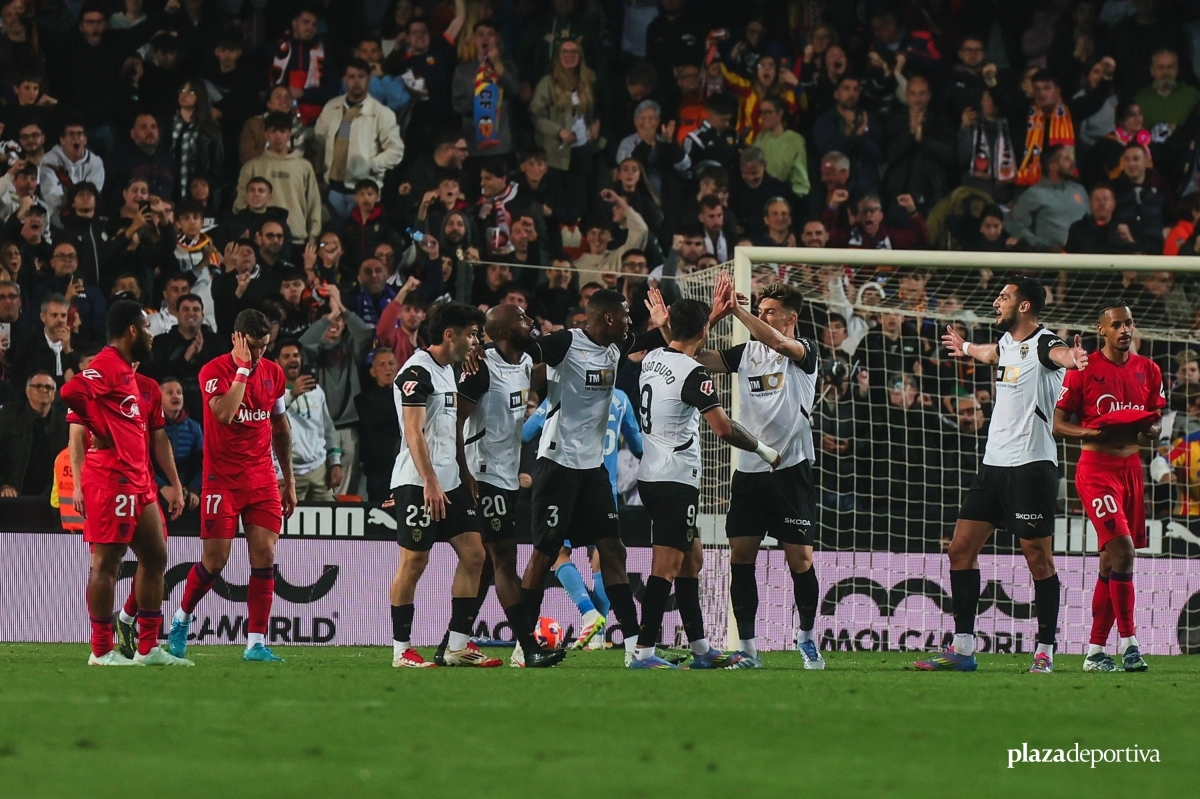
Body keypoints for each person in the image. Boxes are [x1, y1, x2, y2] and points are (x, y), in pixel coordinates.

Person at [916, 278, 1089, 673]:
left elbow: (1059, 354)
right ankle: (962, 649)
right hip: (993, 467)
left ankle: (1044, 650)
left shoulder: (1045, 343)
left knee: (1038, 559)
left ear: (1025, 306)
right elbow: (993, 354)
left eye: (1004, 297)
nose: (996, 302)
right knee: (960, 550)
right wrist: (964, 348)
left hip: (1032, 466)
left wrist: (1074, 359)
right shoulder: (1009, 344)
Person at [512, 289, 671, 666]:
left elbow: (653, 338)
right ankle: (524, 646)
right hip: (556, 465)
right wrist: (483, 349)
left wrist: (665, 326)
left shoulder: (616, 346)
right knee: (544, 553)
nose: (631, 323)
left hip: (593, 469)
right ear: (609, 319)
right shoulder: (567, 342)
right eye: (627, 316)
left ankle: (636, 648)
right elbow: (522, 349)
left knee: (613, 549)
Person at [630, 295, 775, 670]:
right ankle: (643, 652)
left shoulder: (653, 357)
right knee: (667, 566)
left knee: (691, 560)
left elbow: (678, 344)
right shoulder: (694, 374)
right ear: (705, 330)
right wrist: (764, 450)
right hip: (675, 479)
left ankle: (700, 649)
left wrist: (674, 324)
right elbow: (723, 428)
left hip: (651, 474)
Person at [693, 280, 823, 669]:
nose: (762, 317)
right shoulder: (745, 353)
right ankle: (748, 648)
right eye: (760, 310)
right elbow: (696, 356)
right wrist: (715, 316)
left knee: (799, 559)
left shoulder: (804, 352)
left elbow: (782, 345)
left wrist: (738, 311)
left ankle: (806, 638)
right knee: (741, 557)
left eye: (769, 312)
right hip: (748, 471)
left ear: (791, 318)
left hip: (791, 469)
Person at [58, 300, 189, 666]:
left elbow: (154, 436)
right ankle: (101, 650)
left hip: (139, 479)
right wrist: (99, 429)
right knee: (108, 562)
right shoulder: (107, 363)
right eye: (146, 328)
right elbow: (70, 393)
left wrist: (172, 482)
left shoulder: (135, 378)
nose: (149, 335)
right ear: (132, 330)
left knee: (156, 556)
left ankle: (147, 648)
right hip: (111, 479)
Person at [166, 309, 296, 663]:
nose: (259, 356)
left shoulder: (274, 374)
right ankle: (180, 620)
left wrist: (288, 480)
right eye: (252, 347)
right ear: (237, 340)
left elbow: (281, 429)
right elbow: (223, 413)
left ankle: (255, 642)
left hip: (262, 478)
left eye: (264, 347)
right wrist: (241, 369)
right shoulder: (214, 371)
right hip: (221, 480)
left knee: (265, 555)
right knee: (215, 561)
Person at [389, 301, 501, 668]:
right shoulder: (416, 372)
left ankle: (457, 645)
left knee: (475, 555)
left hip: (450, 480)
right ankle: (401, 649)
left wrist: (463, 472)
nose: (475, 342)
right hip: (417, 482)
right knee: (414, 562)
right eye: (470, 334)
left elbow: (450, 429)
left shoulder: (447, 371)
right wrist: (430, 482)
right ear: (449, 334)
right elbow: (413, 431)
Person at [454, 304, 567, 668]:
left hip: (506, 476)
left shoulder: (522, 362)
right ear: (502, 333)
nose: (530, 321)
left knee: (489, 566)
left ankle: (452, 643)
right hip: (482, 475)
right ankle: (529, 646)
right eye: (521, 319)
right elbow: (453, 422)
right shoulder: (480, 368)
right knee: (504, 562)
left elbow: (542, 369)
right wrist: (464, 473)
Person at [1054, 303, 1165, 673]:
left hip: (1132, 469)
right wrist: (1087, 431)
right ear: (1102, 330)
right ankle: (1131, 644)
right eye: (1116, 324)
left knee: (1111, 559)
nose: (1123, 329)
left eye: (1128, 323)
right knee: (1125, 552)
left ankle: (1095, 652)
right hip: (1096, 469)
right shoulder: (1084, 370)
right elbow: (1058, 423)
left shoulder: (1148, 370)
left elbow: (1156, 424)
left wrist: (1150, 429)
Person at [314, 58, 405, 223]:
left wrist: (371, 164)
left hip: (364, 191)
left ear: (368, 79)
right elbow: (318, 141)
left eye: (361, 76)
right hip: (332, 188)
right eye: (351, 76)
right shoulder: (331, 107)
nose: (356, 81)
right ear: (344, 79)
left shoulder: (381, 113)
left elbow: (396, 150)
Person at [234, 114, 321, 247]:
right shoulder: (252, 166)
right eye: (273, 131)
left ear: (289, 134)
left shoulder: (304, 166)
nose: (278, 136)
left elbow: (313, 203)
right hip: (262, 239)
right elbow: (240, 203)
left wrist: (313, 236)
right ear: (266, 134)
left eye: (282, 131)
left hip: (295, 238)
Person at [275, 340, 341, 502]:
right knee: (292, 524)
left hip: (320, 471)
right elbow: (269, 413)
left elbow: (328, 429)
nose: (293, 359)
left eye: (296, 355)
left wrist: (335, 462)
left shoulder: (316, 391)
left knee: (329, 522)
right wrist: (292, 394)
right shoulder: (271, 391)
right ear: (276, 362)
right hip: (290, 474)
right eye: (286, 356)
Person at [0, 371, 67, 498]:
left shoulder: (63, 423)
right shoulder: (8, 416)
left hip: (50, 497)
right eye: (38, 386)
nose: (44, 390)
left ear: (55, 394)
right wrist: (2, 485)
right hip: (13, 496)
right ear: (27, 391)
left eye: (48, 387)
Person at [355, 347, 401, 502]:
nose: (387, 368)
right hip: (377, 470)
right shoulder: (363, 400)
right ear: (373, 372)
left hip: (402, 467)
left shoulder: (405, 396)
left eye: (391, 363)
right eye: (381, 364)